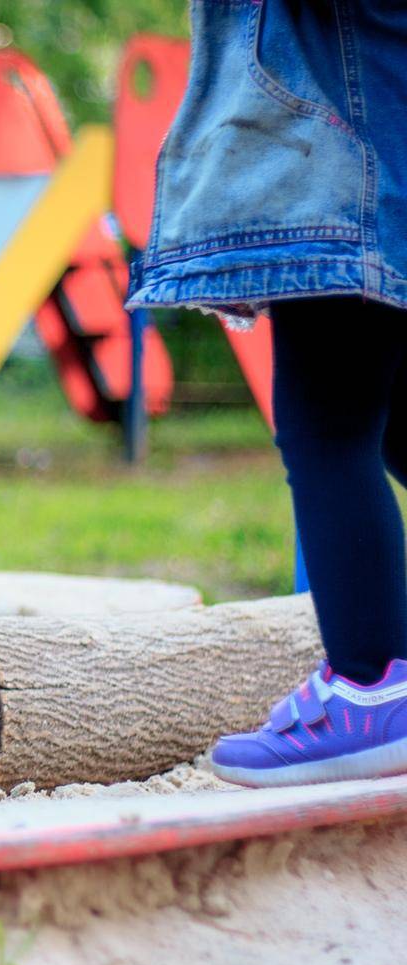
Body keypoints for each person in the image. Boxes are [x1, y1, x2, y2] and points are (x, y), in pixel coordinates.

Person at [127, 0, 407, 786]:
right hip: (379, 160)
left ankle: (369, 686)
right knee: (396, 426)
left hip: (340, 174)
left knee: (330, 430)